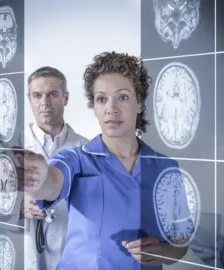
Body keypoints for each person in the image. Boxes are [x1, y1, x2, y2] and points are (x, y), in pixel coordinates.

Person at [20, 51, 194, 269]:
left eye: (122, 97)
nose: (111, 109)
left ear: (139, 103)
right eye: (102, 99)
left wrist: (165, 252)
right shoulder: (74, 158)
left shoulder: (166, 168)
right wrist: (39, 178)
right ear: (95, 106)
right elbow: (53, 182)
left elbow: (181, 241)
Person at [22, 66, 89, 270]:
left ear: (65, 98)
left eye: (52, 94)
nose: (45, 103)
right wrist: (18, 206)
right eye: (37, 95)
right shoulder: (11, 149)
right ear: (29, 99)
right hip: (25, 253)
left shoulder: (86, 150)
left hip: (71, 253)